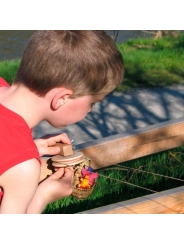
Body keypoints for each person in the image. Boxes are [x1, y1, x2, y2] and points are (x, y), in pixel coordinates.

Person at [0, 30, 124, 214]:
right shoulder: (23, 169)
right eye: (92, 103)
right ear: (61, 99)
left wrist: (25, 147)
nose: (90, 110)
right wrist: (43, 195)